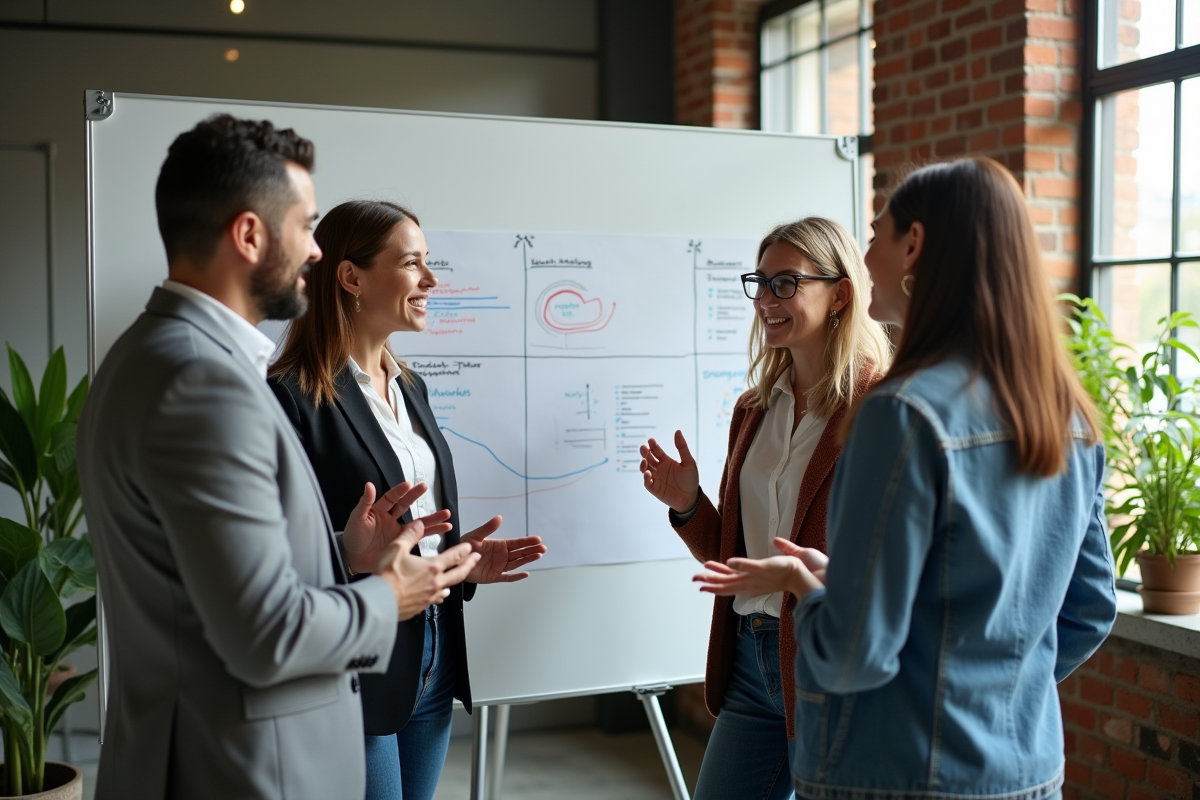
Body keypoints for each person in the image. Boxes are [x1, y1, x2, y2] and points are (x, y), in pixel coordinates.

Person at [77, 115, 481, 800]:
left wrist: (341, 552)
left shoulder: (147, 354)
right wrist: (389, 594)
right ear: (249, 235)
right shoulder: (204, 383)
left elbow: (209, 569)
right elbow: (265, 634)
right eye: (306, 226)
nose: (318, 252)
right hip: (241, 767)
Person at [696, 158, 1118, 799]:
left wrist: (808, 592)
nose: (865, 257)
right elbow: (1088, 609)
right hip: (1026, 768)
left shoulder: (898, 413)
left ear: (913, 245)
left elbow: (853, 650)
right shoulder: (1067, 411)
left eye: (876, 233)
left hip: (903, 770)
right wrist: (986, 690)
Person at [268, 199, 547, 800]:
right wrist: (350, 552)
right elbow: (270, 552)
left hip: (435, 649)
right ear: (351, 277)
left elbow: (414, 530)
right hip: (356, 665)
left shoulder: (410, 386)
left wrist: (460, 560)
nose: (431, 280)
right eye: (413, 263)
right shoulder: (289, 398)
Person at [639, 217, 889, 800]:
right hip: (752, 661)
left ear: (840, 294)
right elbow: (737, 557)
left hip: (825, 660)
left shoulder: (879, 405)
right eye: (761, 282)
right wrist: (686, 505)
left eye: (786, 283)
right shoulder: (754, 410)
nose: (765, 300)